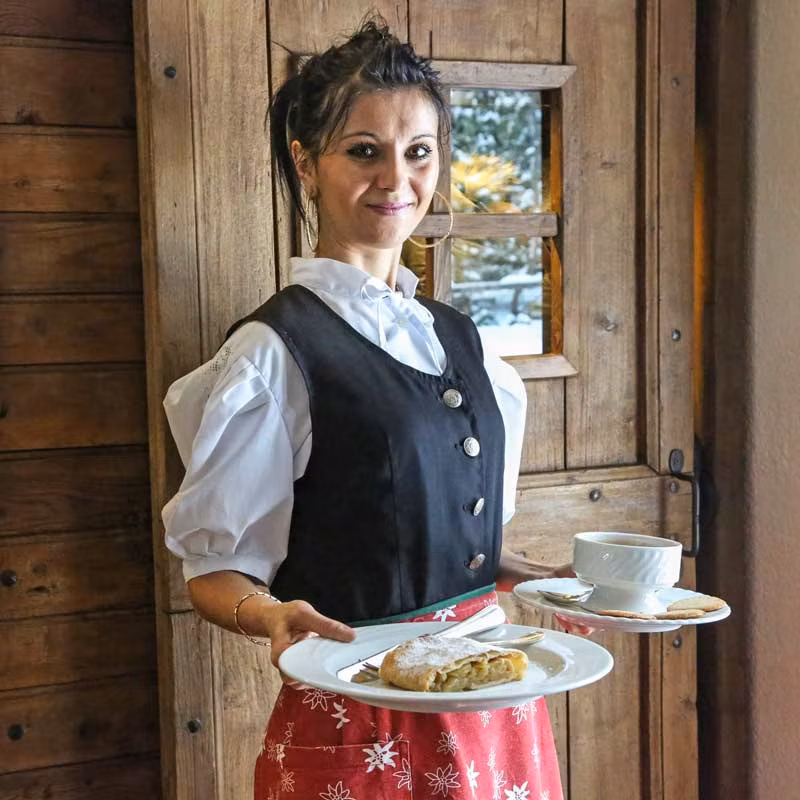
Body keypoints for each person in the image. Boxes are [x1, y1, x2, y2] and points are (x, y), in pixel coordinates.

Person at [162, 18, 567, 799]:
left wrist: (527, 574)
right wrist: (268, 616)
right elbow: (213, 570)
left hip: (488, 701)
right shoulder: (274, 352)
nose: (396, 179)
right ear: (306, 164)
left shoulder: (459, 336)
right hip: (360, 712)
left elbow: (419, 537)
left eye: (417, 151)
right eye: (364, 150)